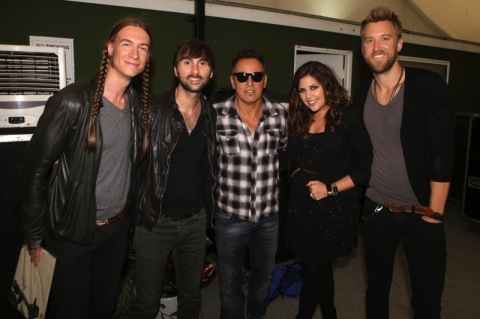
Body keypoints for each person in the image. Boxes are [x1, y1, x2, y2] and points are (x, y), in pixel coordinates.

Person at [20, 17, 152, 319]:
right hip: (71, 233)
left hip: (116, 231)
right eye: (127, 44)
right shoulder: (71, 102)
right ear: (109, 48)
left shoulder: (136, 106)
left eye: (143, 48)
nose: (135, 53)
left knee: (103, 308)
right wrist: (35, 239)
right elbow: (34, 174)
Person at [354, 7, 455, 319]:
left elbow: (442, 153)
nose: (377, 47)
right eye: (369, 41)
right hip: (377, 211)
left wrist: (434, 215)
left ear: (399, 43)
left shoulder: (428, 86)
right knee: (376, 292)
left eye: (385, 38)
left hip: (422, 212)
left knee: (426, 301)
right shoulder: (360, 95)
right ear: (362, 48)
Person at [133, 38, 217, 319]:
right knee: (147, 302)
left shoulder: (210, 114)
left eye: (202, 63)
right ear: (175, 69)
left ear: (211, 73)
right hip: (154, 222)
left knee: (191, 299)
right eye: (187, 62)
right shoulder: (152, 110)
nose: (195, 69)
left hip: (195, 222)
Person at [286, 61, 373, 319]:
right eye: (302, 90)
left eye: (314, 87)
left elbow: (364, 170)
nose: (308, 95)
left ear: (327, 85)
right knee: (318, 268)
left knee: (315, 269)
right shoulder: (301, 116)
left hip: (333, 207)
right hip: (304, 206)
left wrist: (330, 189)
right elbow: (294, 160)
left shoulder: (348, 115)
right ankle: (330, 314)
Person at [214, 49, 288, 319]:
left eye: (255, 76)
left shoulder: (281, 115)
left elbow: (286, 151)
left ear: (264, 80)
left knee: (261, 285)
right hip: (230, 218)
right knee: (229, 287)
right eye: (242, 76)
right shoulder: (215, 116)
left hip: (268, 218)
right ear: (232, 80)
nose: (249, 82)